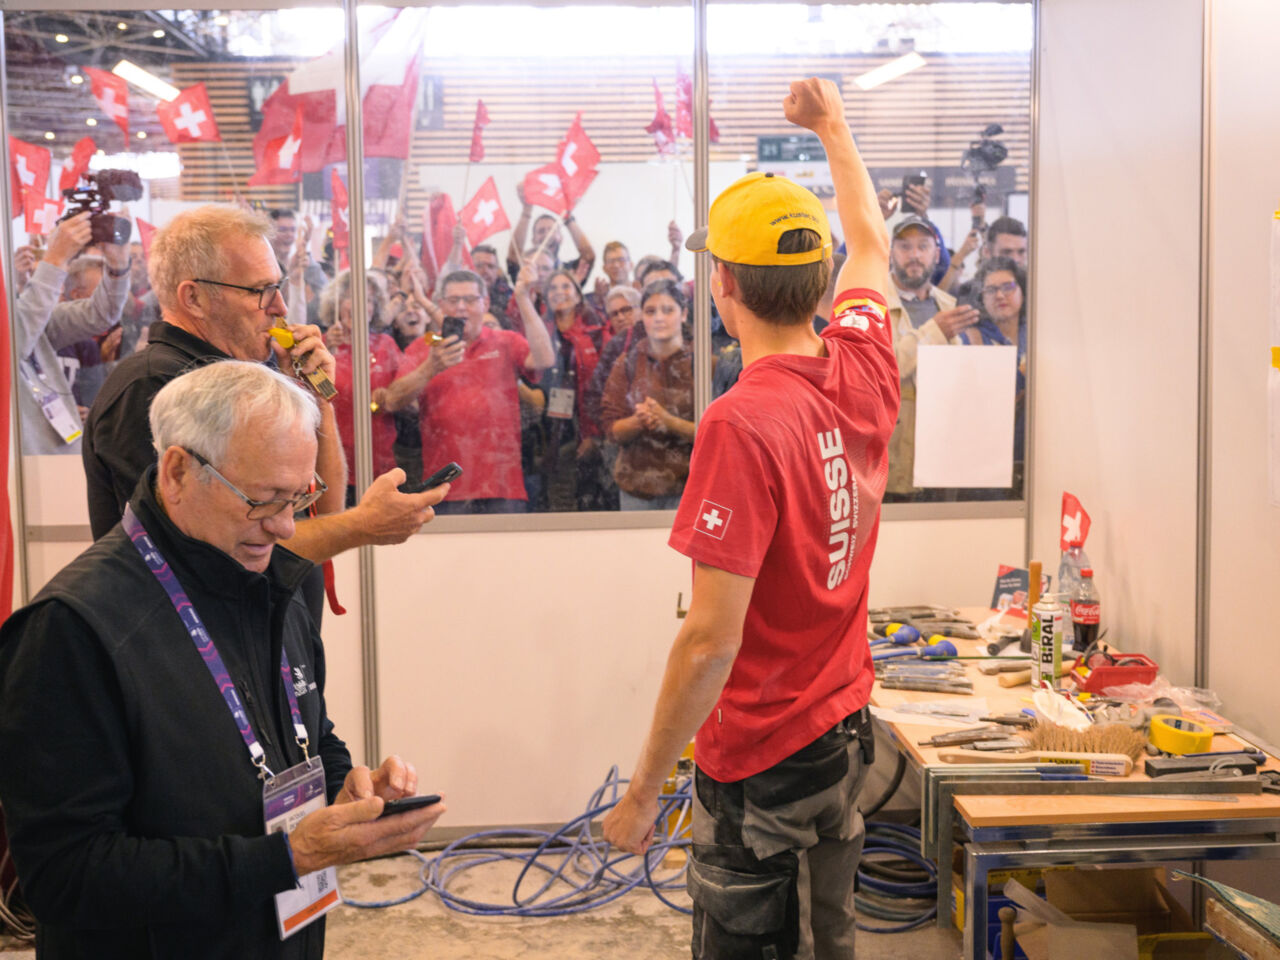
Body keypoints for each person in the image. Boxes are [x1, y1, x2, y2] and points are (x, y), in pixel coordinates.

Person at [0, 361, 446, 957]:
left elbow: (308, 736)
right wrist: (289, 856)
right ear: (179, 471)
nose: (286, 526)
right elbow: (67, 877)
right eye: (262, 501)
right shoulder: (71, 630)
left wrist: (349, 792)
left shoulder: (272, 580)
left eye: (299, 497)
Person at [603, 77, 898, 960]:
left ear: (722, 286)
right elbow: (873, 245)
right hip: (845, 731)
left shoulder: (742, 420)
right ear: (817, 280)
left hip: (765, 757)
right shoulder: (862, 364)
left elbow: (709, 642)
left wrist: (644, 791)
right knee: (829, 934)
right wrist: (833, 126)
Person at [81, 205, 442, 568]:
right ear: (194, 298)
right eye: (260, 290)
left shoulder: (256, 373)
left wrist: (317, 399)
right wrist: (361, 525)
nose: (280, 307)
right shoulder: (150, 388)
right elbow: (205, 555)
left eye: (278, 287)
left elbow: (320, 509)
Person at [382, 268, 555, 513]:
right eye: (453, 300)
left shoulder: (505, 341)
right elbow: (391, 401)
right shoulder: (425, 347)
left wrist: (524, 298)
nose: (461, 307)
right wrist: (430, 367)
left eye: (471, 300)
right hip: (444, 486)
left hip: (503, 485)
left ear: (485, 303)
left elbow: (544, 359)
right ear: (441, 304)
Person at [16, 211, 129, 455]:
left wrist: (118, 266)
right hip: (24, 471)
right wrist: (55, 258)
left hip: (65, 458)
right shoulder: (20, 322)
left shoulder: (26, 317)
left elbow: (102, 313)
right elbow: (16, 341)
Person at [884, 214, 976, 500]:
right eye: (905, 246)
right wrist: (935, 331)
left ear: (936, 255)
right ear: (890, 253)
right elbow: (882, 371)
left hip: (942, 466)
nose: (914, 255)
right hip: (890, 471)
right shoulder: (873, 305)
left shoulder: (948, 306)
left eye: (923, 247)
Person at [600, 279, 696, 511]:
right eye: (650, 311)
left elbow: (716, 435)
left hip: (689, 489)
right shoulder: (627, 363)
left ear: (683, 314)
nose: (659, 318)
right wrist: (639, 421)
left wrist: (668, 421)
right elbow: (611, 430)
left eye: (668, 310)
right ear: (641, 316)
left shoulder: (703, 363)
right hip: (637, 491)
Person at [523, 268, 607, 511]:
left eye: (566, 286)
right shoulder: (538, 331)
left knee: (587, 503)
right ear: (545, 297)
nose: (559, 292)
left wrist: (593, 434)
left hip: (584, 430)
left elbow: (603, 386)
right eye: (553, 288)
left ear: (579, 295)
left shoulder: (596, 332)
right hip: (545, 432)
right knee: (554, 501)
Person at [320, 270, 402, 501]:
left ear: (375, 308)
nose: (358, 304)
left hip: (379, 464)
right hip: (331, 464)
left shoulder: (386, 345)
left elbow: (407, 400)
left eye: (367, 299)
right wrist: (328, 352)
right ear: (336, 303)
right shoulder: (320, 345)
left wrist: (391, 396)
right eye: (350, 296)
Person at [961, 256, 1028, 495]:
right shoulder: (969, 338)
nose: (1000, 296)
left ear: (1022, 290)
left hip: (1033, 457)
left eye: (1008, 287)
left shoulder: (1038, 332)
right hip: (985, 464)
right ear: (981, 298)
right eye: (991, 290)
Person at [505, 181, 596, 286]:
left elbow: (588, 257)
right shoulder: (526, 271)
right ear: (533, 240)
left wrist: (568, 217)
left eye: (552, 230)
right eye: (541, 231)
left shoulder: (569, 273)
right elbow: (513, 256)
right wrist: (526, 210)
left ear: (561, 238)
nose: (547, 235)